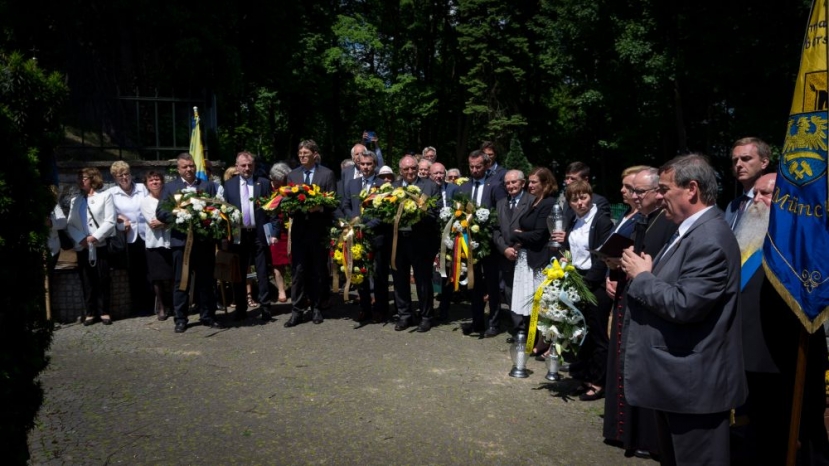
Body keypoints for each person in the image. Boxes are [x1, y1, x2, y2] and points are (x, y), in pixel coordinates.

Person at [620, 154, 746, 465]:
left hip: (693, 390)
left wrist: (643, 277)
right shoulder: (688, 231)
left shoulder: (710, 238)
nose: (658, 197)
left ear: (691, 189)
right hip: (676, 385)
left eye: (664, 189)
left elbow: (685, 304)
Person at [730, 172, 829, 465]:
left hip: (784, 359)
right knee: (758, 435)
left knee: (795, 434)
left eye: (768, 194)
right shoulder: (747, 238)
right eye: (756, 194)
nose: (758, 201)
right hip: (750, 357)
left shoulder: (803, 245)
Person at [603, 167, 676, 459]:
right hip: (629, 296)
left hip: (650, 301)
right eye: (632, 191)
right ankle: (623, 431)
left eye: (639, 192)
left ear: (658, 194)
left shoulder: (667, 223)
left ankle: (644, 435)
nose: (633, 196)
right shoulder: (643, 220)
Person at [551, 180, 613, 401]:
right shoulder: (573, 221)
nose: (579, 202)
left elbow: (603, 257)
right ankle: (584, 377)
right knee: (580, 333)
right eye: (574, 199)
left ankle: (598, 382)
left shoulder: (602, 221)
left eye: (583, 197)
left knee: (597, 334)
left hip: (594, 284)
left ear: (590, 196)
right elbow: (570, 251)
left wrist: (585, 284)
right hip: (576, 278)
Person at [156, 153, 224, 333]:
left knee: (206, 281)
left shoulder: (207, 185)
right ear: (178, 169)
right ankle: (180, 319)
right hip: (181, 243)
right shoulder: (171, 188)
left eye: (191, 166)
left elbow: (217, 209)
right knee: (182, 282)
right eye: (185, 167)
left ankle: (207, 315)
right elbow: (161, 212)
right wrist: (180, 215)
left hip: (204, 243)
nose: (189, 169)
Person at [284, 140, 336, 327]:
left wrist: (320, 208)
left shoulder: (326, 174)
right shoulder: (292, 175)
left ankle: (316, 307)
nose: (303, 156)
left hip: (318, 231)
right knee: (298, 272)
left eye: (306, 153)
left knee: (317, 271)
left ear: (315, 154)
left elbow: (333, 203)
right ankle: (297, 311)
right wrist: (290, 207)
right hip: (299, 231)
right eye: (300, 153)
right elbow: (286, 202)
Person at [391, 155, 440, 332]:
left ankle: (426, 316)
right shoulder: (393, 188)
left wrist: (418, 213)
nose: (410, 172)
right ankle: (404, 315)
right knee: (399, 279)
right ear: (400, 171)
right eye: (406, 169)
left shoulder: (430, 186)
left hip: (421, 240)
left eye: (413, 168)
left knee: (423, 280)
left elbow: (436, 213)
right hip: (398, 241)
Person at [344, 150, 391, 324]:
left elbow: (386, 212)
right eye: (363, 164)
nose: (365, 167)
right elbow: (346, 205)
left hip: (377, 235)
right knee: (360, 273)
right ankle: (364, 307)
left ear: (374, 165)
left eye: (369, 164)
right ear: (358, 164)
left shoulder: (383, 185)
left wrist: (368, 225)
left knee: (379, 274)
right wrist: (353, 221)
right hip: (357, 236)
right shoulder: (352, 184)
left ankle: (380, 308)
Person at [225, 151, 273, 322]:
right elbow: (224, 212)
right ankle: (240, 307)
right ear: (237, 166)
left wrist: (273, 233)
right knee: (239, 273)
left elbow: (272, 210)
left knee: (262, 272)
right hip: (239, 235)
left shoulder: (264, 183)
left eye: (250, 165)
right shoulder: (229, 186)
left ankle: (266, 307)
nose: (247, 168)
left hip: (258, 234)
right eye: (243, 165)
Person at [458, 150, 502, 337]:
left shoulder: (495, 186)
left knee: (492, 284)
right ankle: (477, 321)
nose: (474, 170)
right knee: (473, 284)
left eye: (478, 166)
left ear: (486, 166)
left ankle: (494, 322)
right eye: (471, 166)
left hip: (489, 243)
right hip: (469, 243)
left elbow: (500, 214)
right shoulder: (464, 187)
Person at [67, 167, 117, 326]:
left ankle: (104, 311)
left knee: (102, 278)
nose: (81, 181)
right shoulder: (76, 200)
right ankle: (90, 312)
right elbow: (70, 224)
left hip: (100, 244)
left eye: (84, 178)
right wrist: (81, 238)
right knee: (86, 279)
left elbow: (110, 220)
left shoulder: (105, 196)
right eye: (79, 178)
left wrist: (95, 237)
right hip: (83, 246)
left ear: (93, 179)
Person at [493, 169, 537, 337]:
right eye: (507, 183)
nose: (510, 186)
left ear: (522, 183)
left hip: (525, 254)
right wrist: (504, 248)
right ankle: (518, 328)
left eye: (514, 182)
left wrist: (517, 247)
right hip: (506, 255)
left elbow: (534, 229)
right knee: (510, 291)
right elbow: (495, 230)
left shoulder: (532, 202)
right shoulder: (501, 203)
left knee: (527, 291)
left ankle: (529, 329)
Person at [108, 161, 150, 315]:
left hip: (146, 233)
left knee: (150, 270)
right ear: (115, 178)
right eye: (120, 175)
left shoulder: (142, 188)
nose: (124, 177)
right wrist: (120, 218)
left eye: (126, 174)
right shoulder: (111, 193)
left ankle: (153, 303)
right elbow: (109, 212)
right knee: (135, 272)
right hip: (129, 236)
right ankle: (139, 306)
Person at [139, 170, 174, 321]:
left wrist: (166, 221)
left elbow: (178, 215)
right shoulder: (145, 202)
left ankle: (174, 305)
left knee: (173, 277)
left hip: (171, 243)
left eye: (157, 180)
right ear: (147, 184)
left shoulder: (170, 199)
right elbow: (153, 222)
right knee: (157, 278)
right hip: (155, 244)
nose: (155, 183)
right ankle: (161, 306)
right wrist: (170, 221)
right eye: (151, 180)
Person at [430, 161, 460, 321]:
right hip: (429, 237)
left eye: (441, 173)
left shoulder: (453, 189)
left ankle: (444, 308)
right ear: (430, 174)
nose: (439, 176)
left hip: (449, 238)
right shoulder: (425, 188)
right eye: (435, 173)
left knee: (446, 273)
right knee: (429, 273)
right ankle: (428, 308)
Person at [724, 137, 771, 230]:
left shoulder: (772, 202)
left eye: (746, 158)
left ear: (764, 163)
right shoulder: (732, 206)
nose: (738, 165)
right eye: (735, 160)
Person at [267, 162, 292, 305]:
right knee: (277, 262)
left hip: (290, 228)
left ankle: (296, 289)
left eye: (281, 181)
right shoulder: (269, 189)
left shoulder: (291, 187)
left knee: (294, 261)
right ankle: (281, 290)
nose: (278, 183)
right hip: (276, 230)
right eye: (277, 181)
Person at [561, 161, 611, 227]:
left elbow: (602, 228)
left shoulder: (599, 202)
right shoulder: (567, 203)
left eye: (573, 179)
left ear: (585, 180)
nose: (568, 182)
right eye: (567, 178)